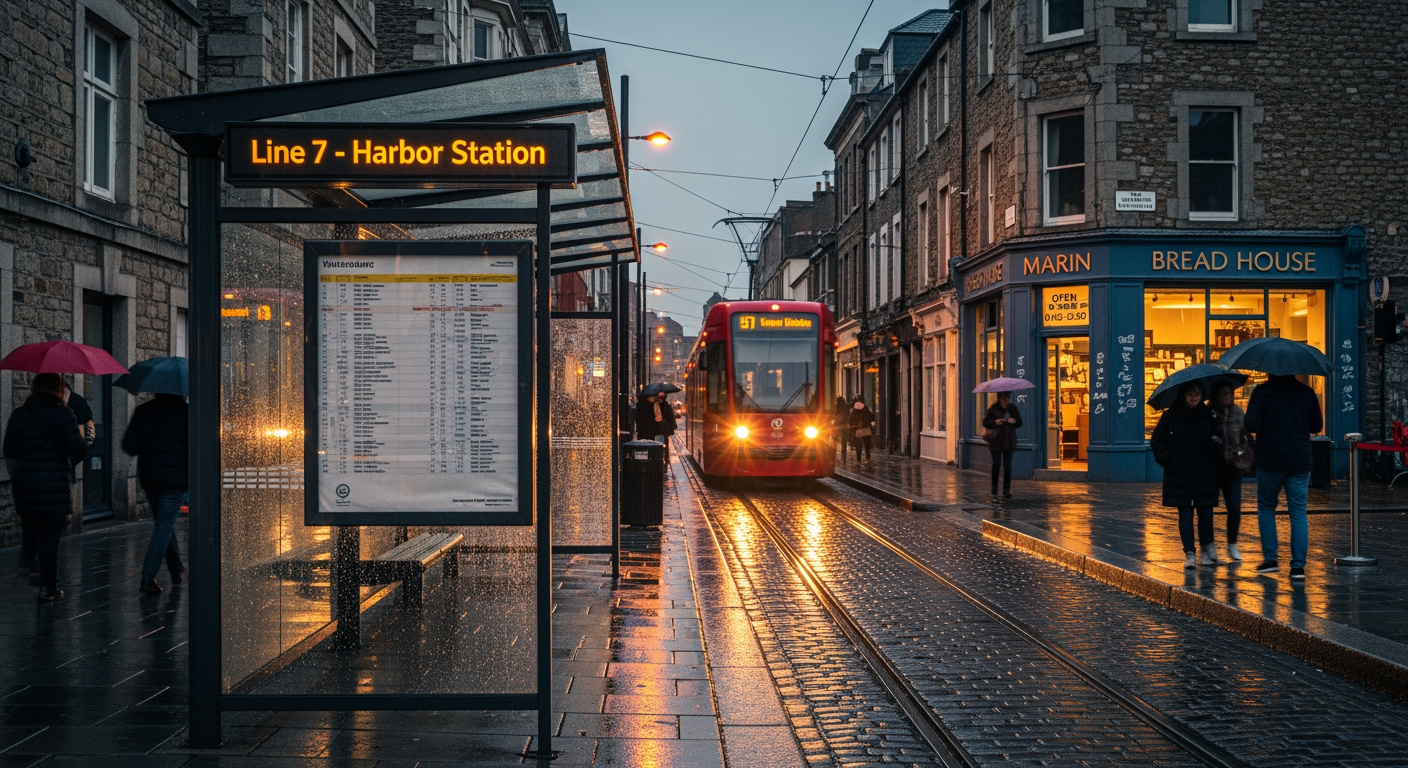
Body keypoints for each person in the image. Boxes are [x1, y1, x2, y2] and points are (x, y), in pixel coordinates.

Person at [2, 373, 88, 602]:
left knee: (31, 524)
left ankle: (28, 560)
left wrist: (18, 476)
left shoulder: (19, 415)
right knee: (50, 537)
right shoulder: (63, 415)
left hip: (26, 483)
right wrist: (84, 441)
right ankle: (48, 587)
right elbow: (77, 449)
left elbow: (9, 450)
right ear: (59, 390)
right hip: (54, 485)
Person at [1244, 374, 1323, 581]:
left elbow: (1250, 423)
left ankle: (1270, 559)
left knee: (1267, 508)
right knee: (1298, 512)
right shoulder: (1306, 393)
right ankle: (1298, 567)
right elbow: (1316, 425)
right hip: (1299, 459)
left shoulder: (1261, 392)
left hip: (1270, 459)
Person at [122, 392, 189, 595]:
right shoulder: (186, 412)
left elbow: (129, 446)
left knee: (163, 522)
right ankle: (148, 577)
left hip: (150, 477)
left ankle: (177, 568)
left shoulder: (144, 411)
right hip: (174, 479)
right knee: (164, 524)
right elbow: (194, 445)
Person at [1151, 382, 1221, 569]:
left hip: (1204, 472)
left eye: (1197, 393)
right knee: (1185, 514)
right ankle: (1189, 553)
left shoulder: (1209, 416)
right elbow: (1157, 440)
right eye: (1191, 393)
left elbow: (1219, 439)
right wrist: (1167, 460)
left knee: (1206, 513)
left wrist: (1215, 447)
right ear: (1183, 395)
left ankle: (1206, 551)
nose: (1194, 397)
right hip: (1179, 473)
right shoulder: (1171, 416)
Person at [1210, 382, 1249, 561]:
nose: (1227, 396)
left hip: (1233, 467)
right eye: (1224, 393)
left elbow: (1244, 435)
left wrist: (1241, 450)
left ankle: (1232, 544)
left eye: (1230, 393)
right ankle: (1208, 545)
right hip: (1213, 466)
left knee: (1234, 506)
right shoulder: (1209, 413)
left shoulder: (1238, 412)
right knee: (1207, 507)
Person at [982, 392, 1022, 499]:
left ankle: (1006, 490)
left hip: (1009, 441)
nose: (1006, 400)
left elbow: (1019, 423)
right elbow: (985, 422)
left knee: (1008, 466)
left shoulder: (1012, 408)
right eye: (1004, 398)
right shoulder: (993, 408)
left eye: (1008, 398)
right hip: (996, 441)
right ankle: (994, 487)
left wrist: (1014, 421)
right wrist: (995, 422)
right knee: (996, 464)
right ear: (999, 398)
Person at [850, 398, 875, 464]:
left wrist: (854, 427)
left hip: (858, 430)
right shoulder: (866, 409)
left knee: (858, 446)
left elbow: (850, 420)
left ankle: (859, 460)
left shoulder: (854, 411)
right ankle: (867, 458)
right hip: (866, 430)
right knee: (867, 445)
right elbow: (872, 417)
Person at [833, 396, 851, 461]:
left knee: (835, 442)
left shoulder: (836, 407)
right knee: (843, 443)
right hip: (843, 426)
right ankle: (843, 458)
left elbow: (834, 416)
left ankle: (834, 456)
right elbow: (848, 415)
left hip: (837, 426)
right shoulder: (846, 407)